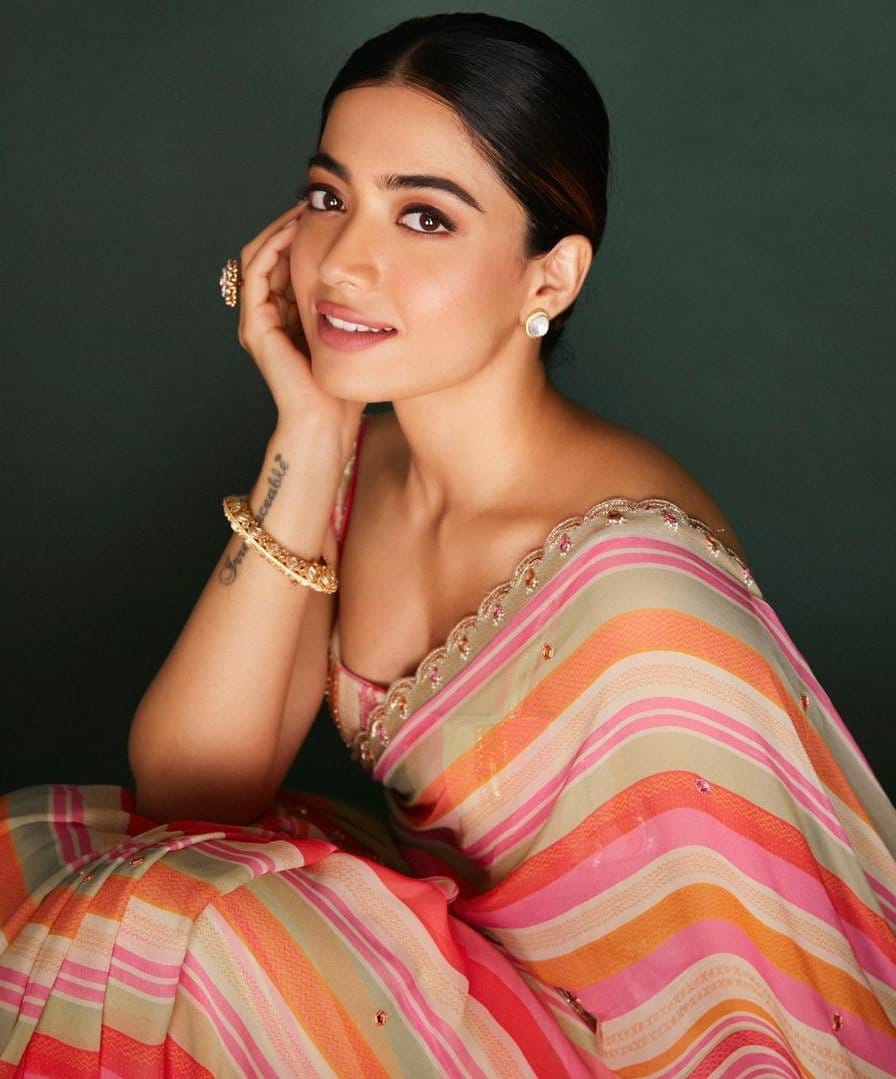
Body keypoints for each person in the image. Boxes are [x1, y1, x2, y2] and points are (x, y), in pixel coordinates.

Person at [2, 12, 894, 1077]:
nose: (344, 263)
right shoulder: (365, 457)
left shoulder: (637, 596)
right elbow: (191, 791)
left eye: (424, 217)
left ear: (549, 279)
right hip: (450, 972)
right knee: (44, 855)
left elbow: (757, 995)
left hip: (601, 1048)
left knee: (203, 930)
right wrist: (311, 430)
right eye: (329, 198)